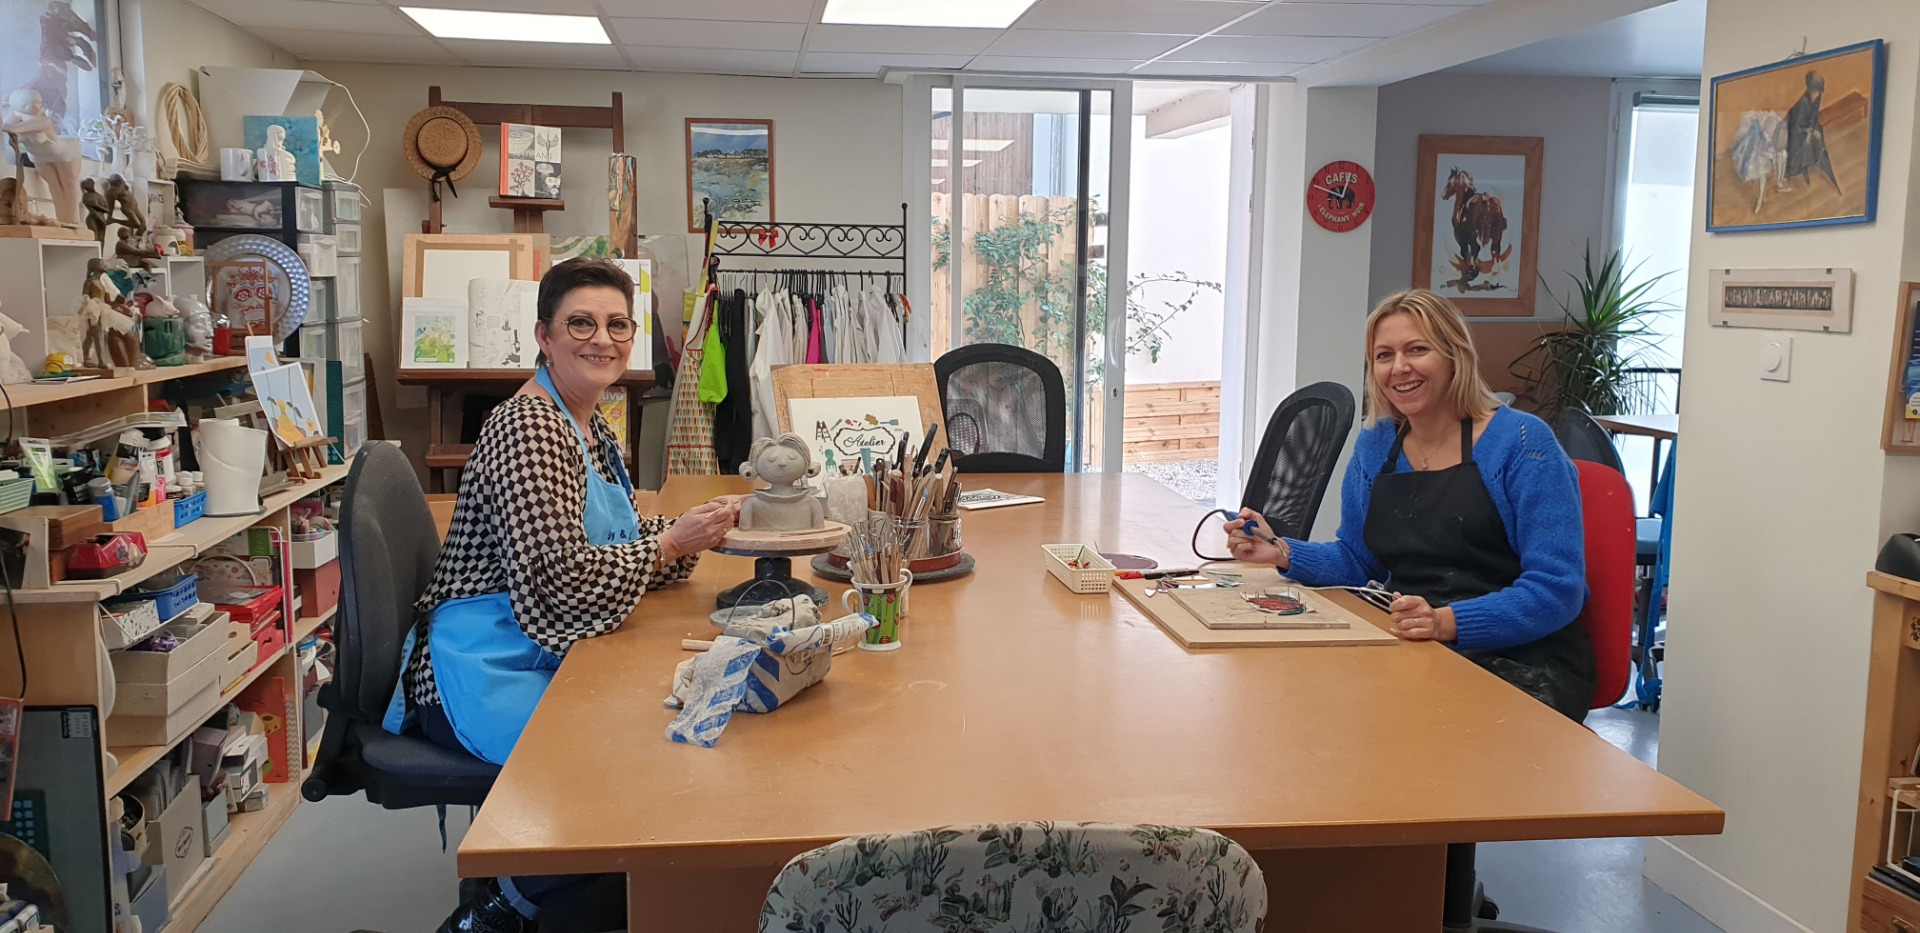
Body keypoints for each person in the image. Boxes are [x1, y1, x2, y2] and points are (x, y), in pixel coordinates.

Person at [383, 258, 740, 933]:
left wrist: (694, 532)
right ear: (544, 335)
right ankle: (502, 907)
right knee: (646, 755)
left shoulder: (589, 423)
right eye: (580, 323)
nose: (601, 339)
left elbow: (613, 538)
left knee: (660, 723)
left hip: (535, 638)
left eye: (617, 325)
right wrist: (670, 545)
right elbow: (561, 580)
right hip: (484, 661)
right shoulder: (531, 428)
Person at [1224, 288, 1594, 721]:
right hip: (1415, 639)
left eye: (1417, 350)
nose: (1399, 368)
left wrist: (1446, 622)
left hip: (1525, 660)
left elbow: (1557, 589)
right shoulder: (1377, 444)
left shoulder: (1524, 443)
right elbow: (1357, 560)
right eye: (1384, 355)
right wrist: (1282, 551)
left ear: (1455, 356)